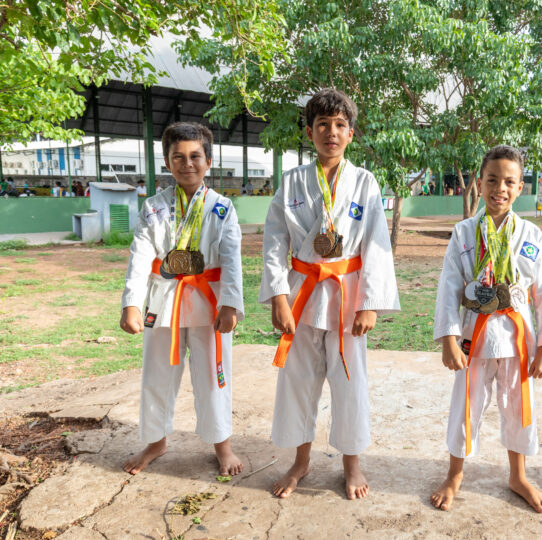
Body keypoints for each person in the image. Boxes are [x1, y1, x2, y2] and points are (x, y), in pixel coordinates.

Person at [260, 88, 400, 500]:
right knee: (299, 382)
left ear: (351, 134)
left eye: (340, 125)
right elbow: (273, 242)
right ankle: (300, 462)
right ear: (309, 131)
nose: (331, 132)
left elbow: (376, 242)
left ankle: (351, 465)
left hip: (347, 298)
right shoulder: (292, 183)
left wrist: (370, 304)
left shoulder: (365, 182)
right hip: (302, 296)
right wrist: (279, 297)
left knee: (350, 383)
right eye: (323, 125)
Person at [430, 145, 542, 513]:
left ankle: (518, 475)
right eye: (492, 180)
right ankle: (455, 474)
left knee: (520, 408)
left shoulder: (531, 234)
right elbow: (448, 289)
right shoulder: (463, 233)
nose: (499, 189)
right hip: (475, 336)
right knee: (465, 407)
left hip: (518, 338)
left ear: (521, 187)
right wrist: (448, 339)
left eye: (509, 181)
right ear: (480, 182)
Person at [119, 122, 244, 476]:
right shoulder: (154, 208)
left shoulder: (222, 208)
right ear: (167, 161)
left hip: (209, 303)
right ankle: (156, 441)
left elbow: (232, 259)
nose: (187, 163)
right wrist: (131, 302)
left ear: (208, 161)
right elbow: (140, 254)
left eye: (194, 156)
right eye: (178, 157)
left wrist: (231, 305)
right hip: (164, 301)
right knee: (157, 374)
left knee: (214, 375)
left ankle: (222, 445)